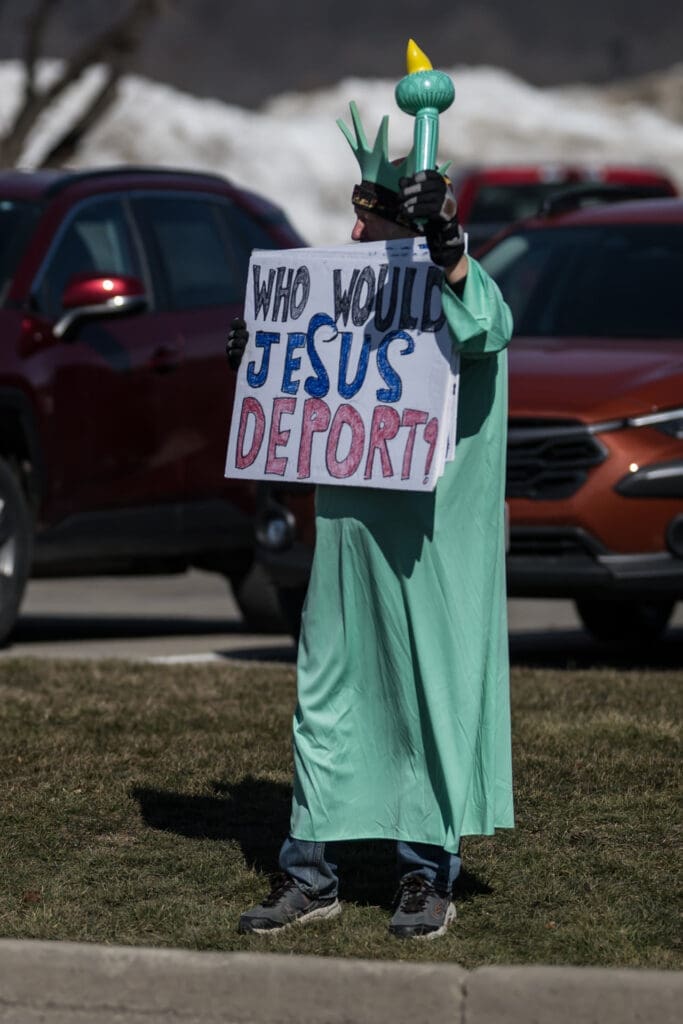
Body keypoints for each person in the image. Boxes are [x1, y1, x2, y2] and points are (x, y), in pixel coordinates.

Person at [227, 114, 514, 940]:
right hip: (349, 534)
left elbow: (485, 321)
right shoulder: (349, 293)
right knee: (327, 695)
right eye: (354, 214)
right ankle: (307, 871)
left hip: (431, 546)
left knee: (427, 699)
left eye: (373, 217)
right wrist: (264, 354)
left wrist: (448, 243)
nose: (353, 230)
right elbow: (316, 392)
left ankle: (426, 875)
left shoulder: (459, 283)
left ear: (409, 224)